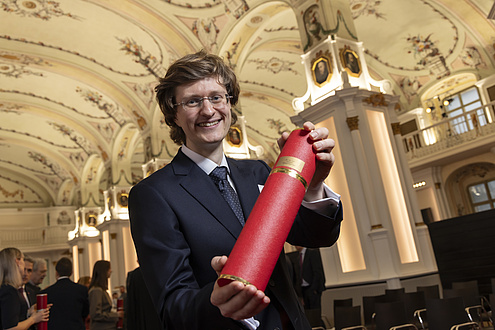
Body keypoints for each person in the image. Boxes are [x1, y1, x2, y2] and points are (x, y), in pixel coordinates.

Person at [129, 50, 343, 329]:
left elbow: (315, 236)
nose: (208, 110)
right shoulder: (153, 194)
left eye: (216, 97)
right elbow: (173, 307)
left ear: (229, 103)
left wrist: (313, 187)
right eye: (193, 101)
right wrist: (217, 299)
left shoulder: (258, 171)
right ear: (174, 114)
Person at [0, 247, 49, 329]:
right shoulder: (9, 290)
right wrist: (33, 319)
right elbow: (11, 328)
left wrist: (28, 312)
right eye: (23, 260)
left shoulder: (5, 287)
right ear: (17, 262)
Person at [39, 257, 89, 330]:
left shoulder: (46, 292)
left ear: (56, 272)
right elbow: (85, 312)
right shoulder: (82, 290)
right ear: (71, 272)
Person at [287, 246, 325, 327]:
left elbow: (317, 271)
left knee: (315, 314)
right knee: (307, 315)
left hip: (313, 289)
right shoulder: (298, 256)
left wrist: (314, 289)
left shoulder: (312, 251)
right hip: (304, 290)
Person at [88, 260, 122, 330]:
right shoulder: (96, 290)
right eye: (109, 269)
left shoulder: (101, 290)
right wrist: (116, 315)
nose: (111, 271)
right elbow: (96, 314)